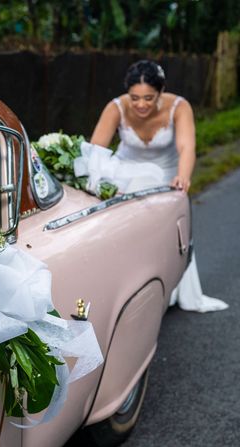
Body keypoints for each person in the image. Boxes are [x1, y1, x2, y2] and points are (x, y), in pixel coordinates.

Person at [89, 59, 227, 313]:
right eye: (135, 97)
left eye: (149, 98)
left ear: (161, 92)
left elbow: (187, 147)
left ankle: (171, 283)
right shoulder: (116, 107)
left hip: (166, 174)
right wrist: (95, 179)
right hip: (125, 174)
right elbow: (96, 150)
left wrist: (183, 176)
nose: (141, 104)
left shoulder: (179, 106)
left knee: (170, 230)